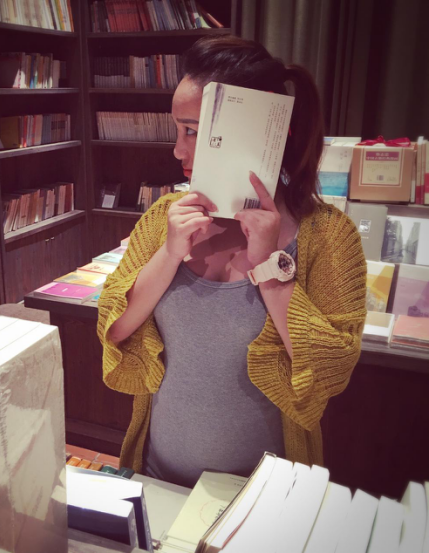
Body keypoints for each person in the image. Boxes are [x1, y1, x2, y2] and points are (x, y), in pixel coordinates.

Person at [97, 36, 367, 488]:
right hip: (160, 478)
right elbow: (114, 327)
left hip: (268, 498)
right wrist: (169, 253)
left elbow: (332, 369)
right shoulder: (163, 219)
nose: (178, 150)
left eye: (192, 132)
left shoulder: (328, 235)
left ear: (252, 130)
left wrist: (269, 268)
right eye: (178, 130)